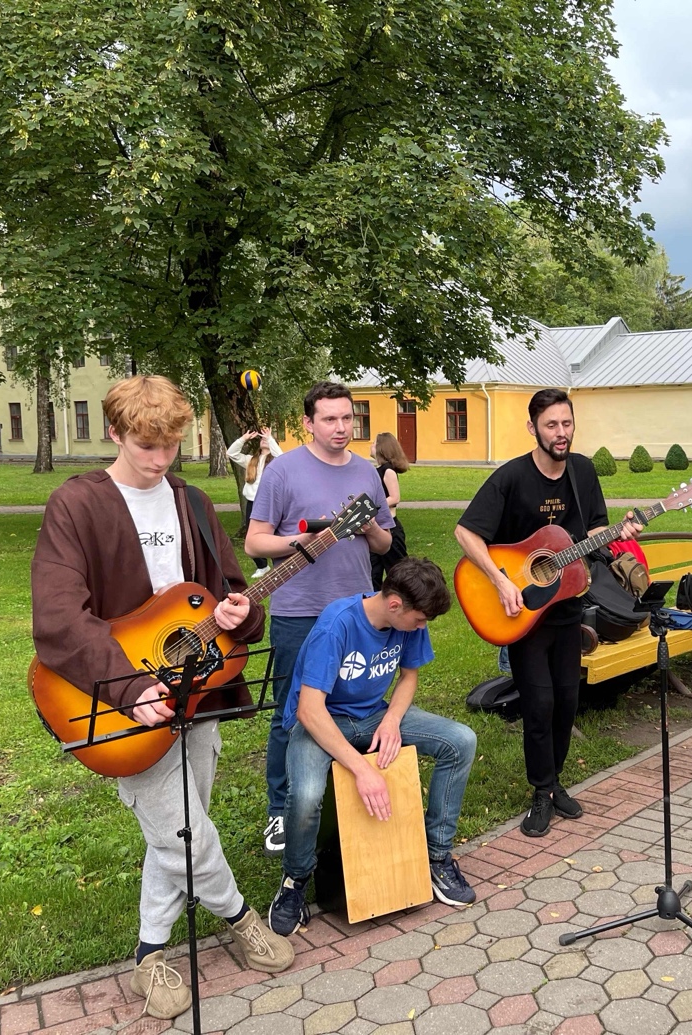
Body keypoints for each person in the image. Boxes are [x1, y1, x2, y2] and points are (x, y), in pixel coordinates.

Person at [31, 375, 294, 1019]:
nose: (158, 460)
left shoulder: (194, 503)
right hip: (122, 696)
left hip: (197, 690)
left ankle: (151, 953)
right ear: (116, 433)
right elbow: (59, 615)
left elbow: (229, 589)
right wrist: (127, 688)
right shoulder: (77, 504)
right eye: (146, 446)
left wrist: (241, 615)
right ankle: (237, 916)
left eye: (170, 446)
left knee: (179, 827)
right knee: (179, 828)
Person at [454, 388, 639, 838]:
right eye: (552, 425)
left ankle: (555, 783)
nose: (561, 433)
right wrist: (501, 581)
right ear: (533, 427)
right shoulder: (512, 478)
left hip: (567, 604)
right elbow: (466, 532)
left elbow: (594, 526)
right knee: (538, 702)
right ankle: (540, 791)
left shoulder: (582, 470)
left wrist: (617, 533)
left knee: (566, 701)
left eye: (567, 423)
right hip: (521, 612)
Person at [267, 557, 478, 934]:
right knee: (305, 796)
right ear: (395, 605)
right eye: (420, 620)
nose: (422, 626)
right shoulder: (337, 625)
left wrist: (393, 719)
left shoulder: (409, 619)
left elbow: (409, 676)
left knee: (460, 741)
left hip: (375, 716)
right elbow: (309, 710)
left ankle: (437, 857)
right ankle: (294, 881)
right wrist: (362, 769)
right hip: (322, 722)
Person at [245, 381, 393, 857]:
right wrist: (300, 543)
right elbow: (254, 543)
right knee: (291, 713)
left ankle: (341, 795)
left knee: (349, 706)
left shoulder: (368, 473)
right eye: (329, 419)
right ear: (308, 423)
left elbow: (387, 545)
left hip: (355, 612)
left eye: (348, 418)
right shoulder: (283, 472)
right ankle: (280, 809)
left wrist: (371, 529)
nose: (341, 427)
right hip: (297, 611)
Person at [227, 426, 283, 578]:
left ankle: (278, 564)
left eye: (268, 439)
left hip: (270, 503)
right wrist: (243, 439)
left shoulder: (277, 462)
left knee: (274, 535)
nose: (264, 440)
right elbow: (231, 453)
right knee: (251, 536)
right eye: (262, 439)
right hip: (252, 502)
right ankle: (262, 566)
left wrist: (269, 438)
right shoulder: (251, 460)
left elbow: (281, 456)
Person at [370, 431, 410, 590]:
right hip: (376, 529)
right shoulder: (376, 470)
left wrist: (371, 509)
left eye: (374, 443)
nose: (371, 446)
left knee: (398, 570)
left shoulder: (388, 471)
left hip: (390, 528)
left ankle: (410, 597)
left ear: (382, 448)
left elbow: (394, 498)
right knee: (373, 570)